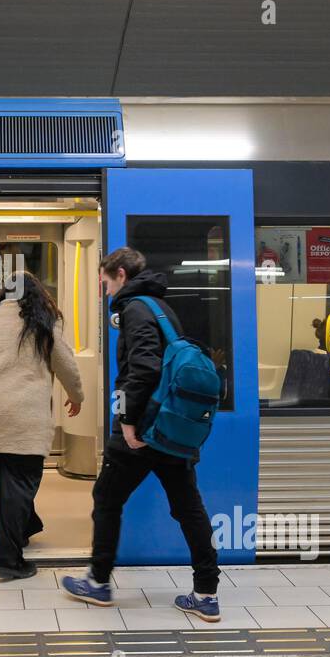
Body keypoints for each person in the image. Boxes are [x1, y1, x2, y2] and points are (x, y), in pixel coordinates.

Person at [60, 247, 222, 622]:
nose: (104, 291)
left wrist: (128, 422)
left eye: (104, 282)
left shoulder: (133, 309)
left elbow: (144, 369)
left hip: (144, 429)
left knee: (106, 497)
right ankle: (206, 593)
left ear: (119, 274)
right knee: (188, 508)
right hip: (172, 429)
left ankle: (98, 582)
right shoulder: (163, 309)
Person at [0, 270, 83, 580]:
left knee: (7, 479)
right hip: (24, 413)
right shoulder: (44, 320)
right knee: (21, 484)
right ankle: (9, 562)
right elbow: (65, 362)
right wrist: (77, 396)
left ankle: (24, 529)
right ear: (38, 293)